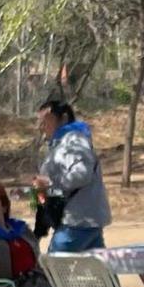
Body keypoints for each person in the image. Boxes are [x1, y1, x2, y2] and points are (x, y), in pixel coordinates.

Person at [33, 97, 111, 253]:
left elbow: (81, 174)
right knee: (96, 272)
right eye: (40, 122)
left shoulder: (74, 139)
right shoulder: (62, 143)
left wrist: (49, 183)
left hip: (76, 222)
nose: (42, 127)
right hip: (81, 221)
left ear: (63, 118)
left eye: (46, 121)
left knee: (55, 267)